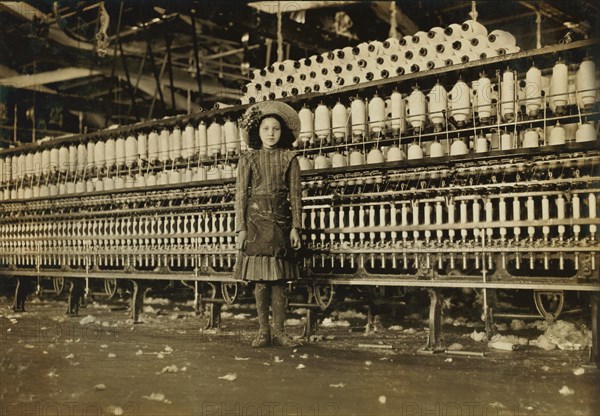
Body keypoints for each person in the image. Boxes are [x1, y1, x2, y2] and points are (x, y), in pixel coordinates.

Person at [235, 101, 302, 348]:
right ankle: (264, 332)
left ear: (282, 132)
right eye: (266, 128)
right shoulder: (248, 158)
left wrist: (297, 226)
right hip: (256, 223)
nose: (271, 133)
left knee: (280, 280)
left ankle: (281, 332)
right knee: (261, 281)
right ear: (258, 131)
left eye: (275, 128)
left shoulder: (290, 158)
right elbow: (241, 195)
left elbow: (296, 195)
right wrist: (240, 229)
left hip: (282, 223)